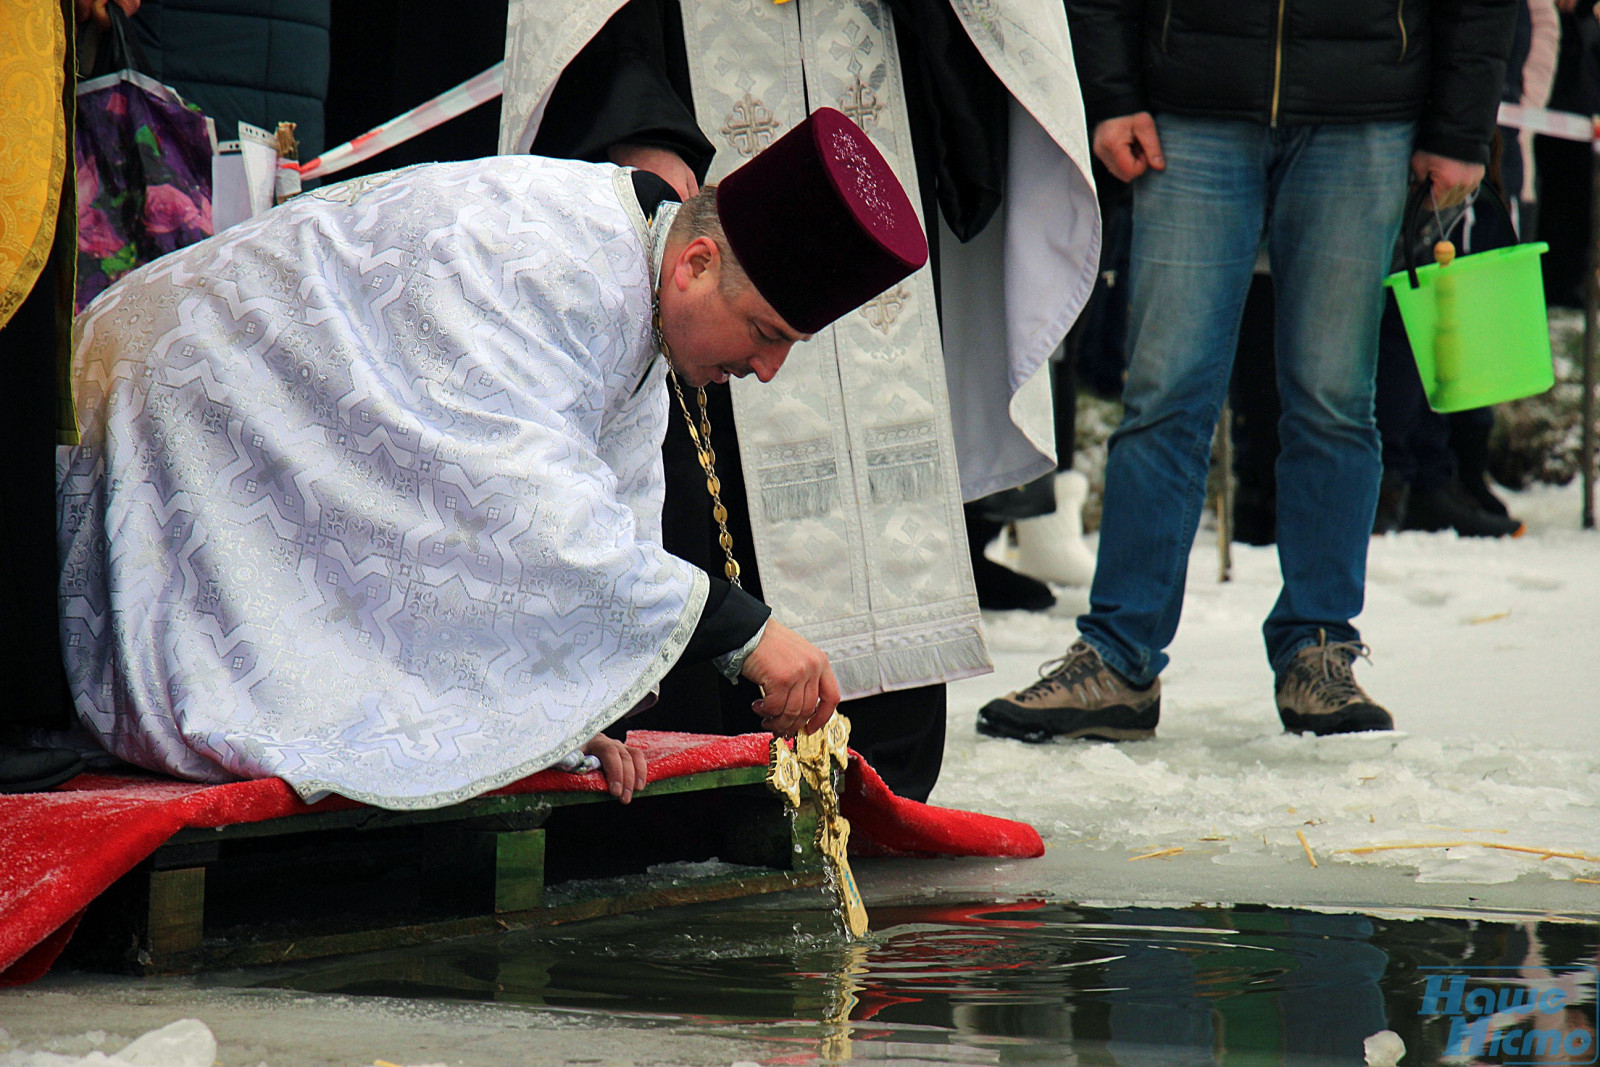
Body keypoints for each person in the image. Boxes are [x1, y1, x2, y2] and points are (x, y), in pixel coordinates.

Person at [57, 109, 924, 810]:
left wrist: (549, 707)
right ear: (697, 263)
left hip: (241, 401)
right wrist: (746, 632)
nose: (767, 370)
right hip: (169, 396)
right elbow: (521, 510)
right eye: (768, 333)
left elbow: (598, 522)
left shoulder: (633, 280)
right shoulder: (543, 255)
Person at [499, 0, 1099, 799]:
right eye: (769, 341)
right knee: (697, 395)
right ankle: (704, 738)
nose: (776, 369)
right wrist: (637, 104)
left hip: (864, 48)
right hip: (694, 60)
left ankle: (878, 744)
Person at [978, 0, 1518, 744]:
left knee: (1334, 399)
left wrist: (1459, 127)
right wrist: (1113, 94)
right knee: (1164, 397)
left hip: (1367, 101)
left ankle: (1318, 645)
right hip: (1192, 96)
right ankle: (1119, 654)